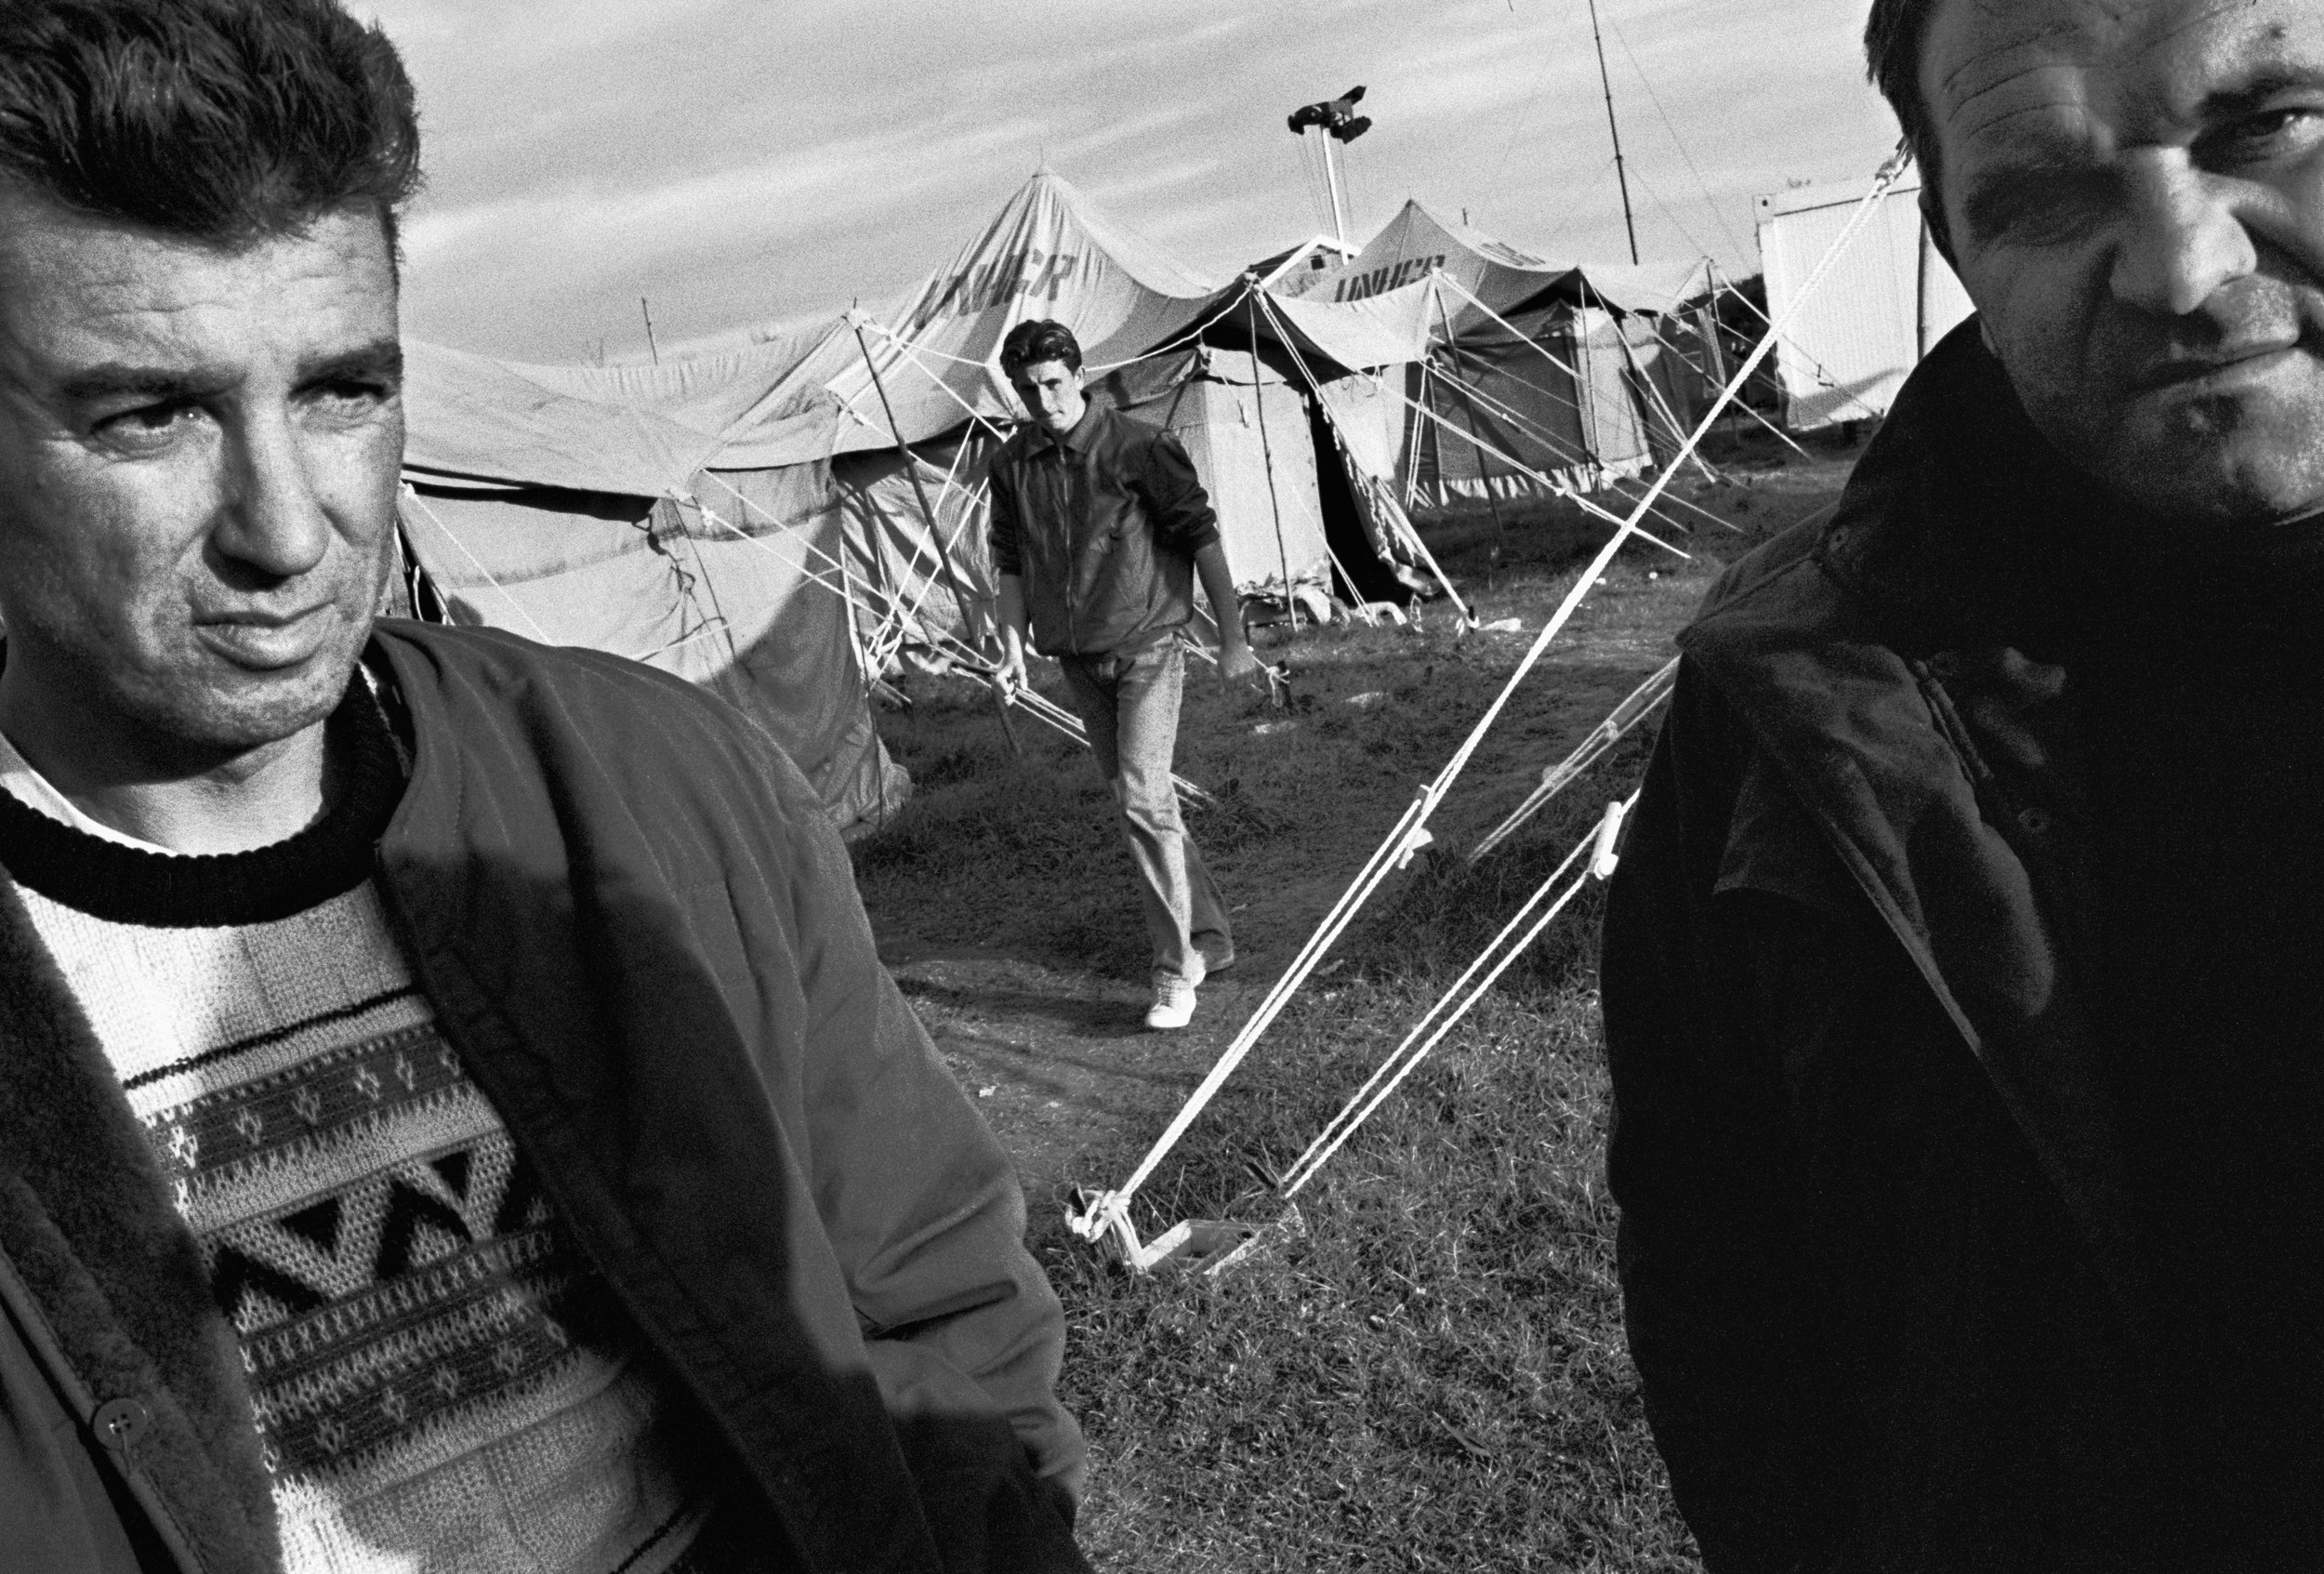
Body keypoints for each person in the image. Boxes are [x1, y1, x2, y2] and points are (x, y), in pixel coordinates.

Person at [0, 3, 1089, 1570]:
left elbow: (927, 1286)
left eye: (342, 392)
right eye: (149, 413)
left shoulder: (656, 787)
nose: (288, 528)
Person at [1601, 1, 2324, 1569]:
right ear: (1952, 243)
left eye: (2268, 125)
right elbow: (1726, 1301)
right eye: (2044, 193)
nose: (2183, 267)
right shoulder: (1781, 710)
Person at [987, 320, 1261, 1031]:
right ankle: (1211, 939)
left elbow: (1201, 535)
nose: (1041, 400)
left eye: (1051, 383)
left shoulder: (1138, 448)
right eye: (1026, 389)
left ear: (1077, 375)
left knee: (1142, 796)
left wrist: (1233, 636)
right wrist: (1013, 645)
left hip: (1148, 647)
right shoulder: (1012, 463)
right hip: (1077, 658)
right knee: (1141, 800)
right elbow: (1011, 561)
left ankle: (1175, 973)